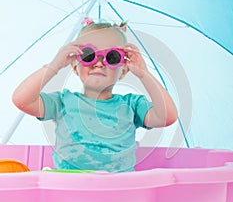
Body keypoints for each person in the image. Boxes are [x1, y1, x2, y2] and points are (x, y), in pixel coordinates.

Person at [12, 19, 178, 173]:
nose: (99, 63)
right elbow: (21, 100)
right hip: (68, 189)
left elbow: (168, 116)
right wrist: (54, 66)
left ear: (124, 70)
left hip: (119, 191)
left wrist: (144, 74)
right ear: (76, 68)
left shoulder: (132, 106)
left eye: (111, 57)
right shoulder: (62, 102)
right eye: (88, 55)